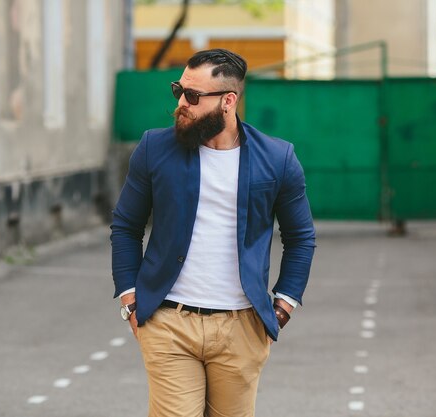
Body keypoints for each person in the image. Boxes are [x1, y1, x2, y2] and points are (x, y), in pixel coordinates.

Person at [110, 48, 315, 417]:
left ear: (228, 101)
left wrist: (283, 307)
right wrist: (130, 299)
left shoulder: (277, 158)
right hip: (169, 321)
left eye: (192, 96)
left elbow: (301, 237)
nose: (181, 104)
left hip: (241, 326)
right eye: (179, 91)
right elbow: (126, 226)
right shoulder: (154, 148)